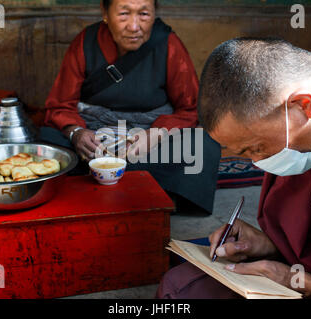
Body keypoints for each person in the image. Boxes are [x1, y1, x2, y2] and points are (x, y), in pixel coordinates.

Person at [156, 20, 311, 298]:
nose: (257, 163)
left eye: (255, 148)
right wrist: (271, 244)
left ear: (303, 104)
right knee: (182, 285)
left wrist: (296, 281)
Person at [41, 0, 221, 214]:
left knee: (203, 144)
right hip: (96, 139)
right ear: (105, 13)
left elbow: (190, 108)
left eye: (144, 15)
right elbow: (60, 105)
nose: (134, 26)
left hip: (147, 141)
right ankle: (147, 191)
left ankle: (98, 190)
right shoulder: (85, 42)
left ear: (154, 15)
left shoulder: (168, 43)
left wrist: (157, 134)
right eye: (124, 14)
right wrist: (76, 133)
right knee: (46, 139)